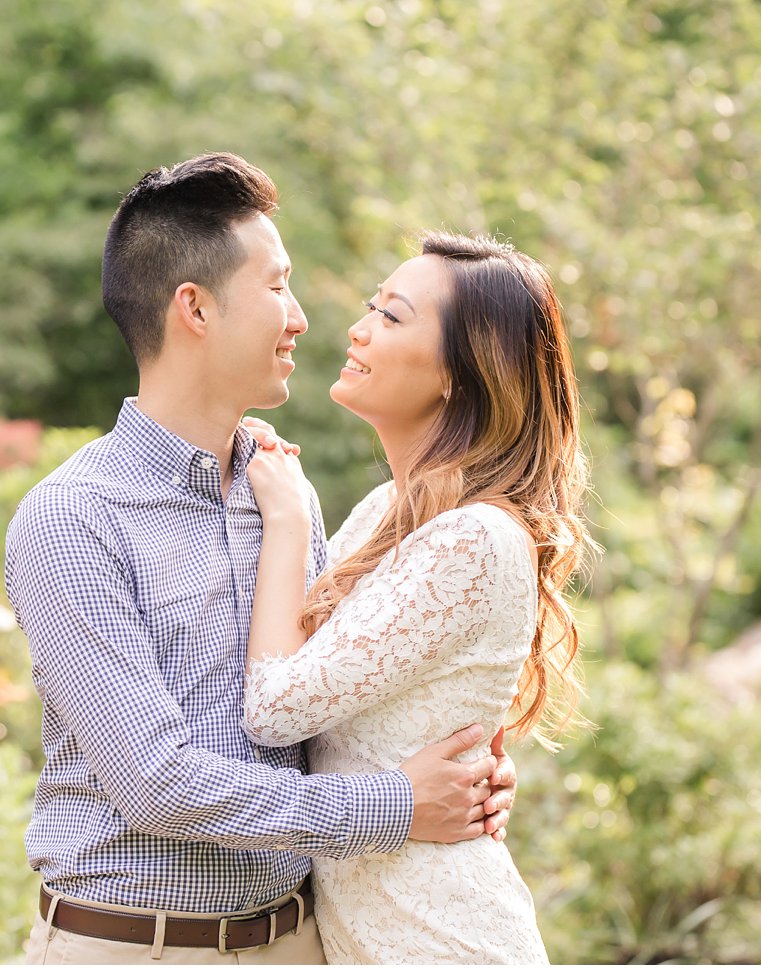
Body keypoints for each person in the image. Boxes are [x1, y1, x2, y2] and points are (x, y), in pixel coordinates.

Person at [4, 153, 517, 965]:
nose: (302, 317)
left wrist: (466, 773)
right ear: (195, 310)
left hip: (299, 939)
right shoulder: (73, 519)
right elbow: (154, 782)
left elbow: (325, 706)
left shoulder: (285, 496)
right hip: (134, 948)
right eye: (277, 286)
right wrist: (395, 805)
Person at [239, 231, 592, 963]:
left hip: (438, 940)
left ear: (464, 374)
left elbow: (274, 708)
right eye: (371, 307)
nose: (358, 329)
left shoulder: (475, 540)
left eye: (392, 317)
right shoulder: (383, 512)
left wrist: (287, 518)